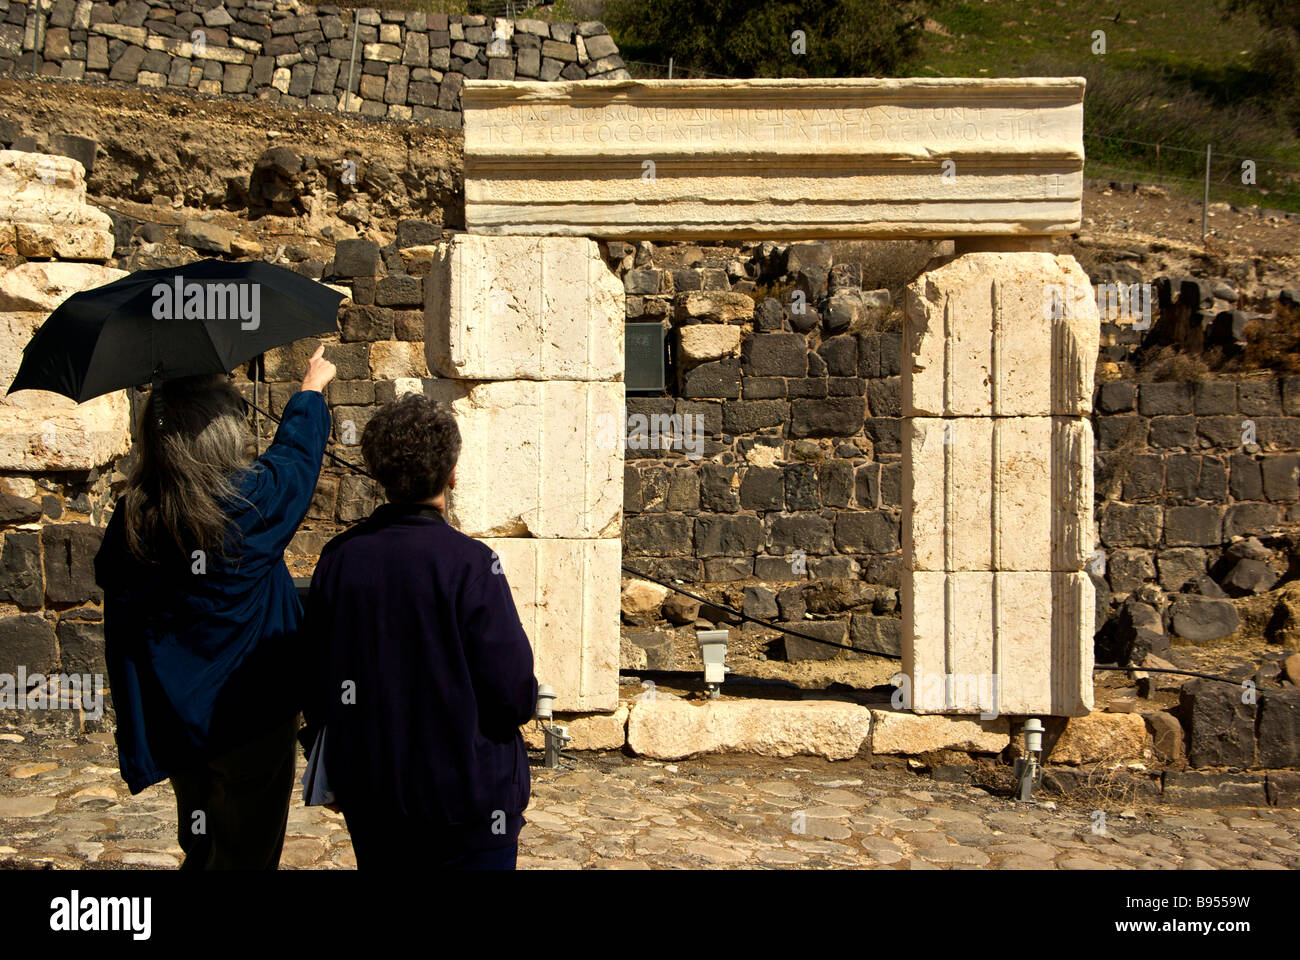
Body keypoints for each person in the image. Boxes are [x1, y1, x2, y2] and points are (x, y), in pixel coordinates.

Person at [93, 347, 336, 870]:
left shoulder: (135, 518)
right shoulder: (250, 506)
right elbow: (294, 460)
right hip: (251, 715)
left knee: (202, 837)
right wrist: (310, 392)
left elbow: (113, 577)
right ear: (224, 435)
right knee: (247, 849)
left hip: (177, 715)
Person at [301, 393, 537, 870]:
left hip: (375, 793)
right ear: (452, 472)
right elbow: (513, 692)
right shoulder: (471, 565)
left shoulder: (339, 559)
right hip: (468, 801)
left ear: (378, 475)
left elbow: (316, 676)